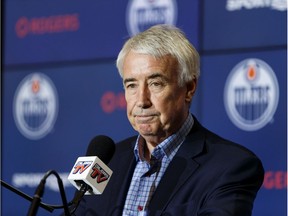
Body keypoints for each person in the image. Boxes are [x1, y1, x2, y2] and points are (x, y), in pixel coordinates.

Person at [75, 24, 264, 216]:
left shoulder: (231, 166)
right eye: (131, 85)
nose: (141, 100)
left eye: (156, 84)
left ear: (189, 88)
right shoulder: (107, 161)